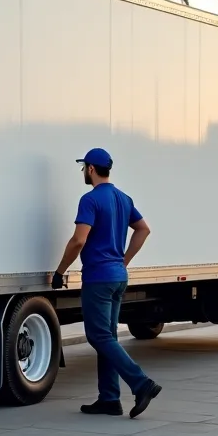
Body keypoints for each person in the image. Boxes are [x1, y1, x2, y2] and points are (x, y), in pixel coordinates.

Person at [52, 148, 161, 418]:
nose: (83, 173)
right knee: (107, 338)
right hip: (118, 277)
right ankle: (110, 399)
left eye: (84, 168)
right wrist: (123, 260)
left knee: (98, 336)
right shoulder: (123, 199)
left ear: (90, 169)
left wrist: (60, 271)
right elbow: (143, 229)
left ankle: (141, 383)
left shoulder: (90, 200)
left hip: (99, 278)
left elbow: (79, 240)